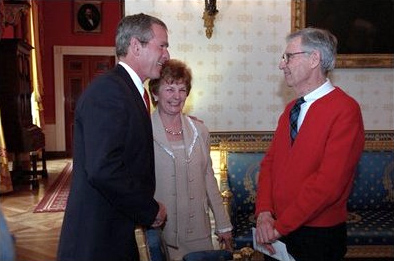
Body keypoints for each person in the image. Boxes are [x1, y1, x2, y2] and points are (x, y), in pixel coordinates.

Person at [57, 13, 170, 261]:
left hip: (113, 231)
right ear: (135, 46)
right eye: (162, 45)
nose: (166, 55)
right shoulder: (109, 92)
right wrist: (148, 210)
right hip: (96, 241)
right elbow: (104, 168)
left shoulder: (127, 91)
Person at [254, 27, 365, 261]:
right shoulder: (290, 109)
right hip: (277, 229)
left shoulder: (345, 110)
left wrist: (280, 226)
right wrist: (264, 212)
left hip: (317, 236)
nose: (281, 64)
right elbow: (270, 164)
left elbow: (329, 184)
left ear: (314, 59)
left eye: (289, 57)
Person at [148, 59, 233, 260]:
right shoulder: (143, 132)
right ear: (155, 93)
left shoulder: (200, 131)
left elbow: (209, 180)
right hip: (161, 232)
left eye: (182, 89)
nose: (177, 96)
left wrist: (223, 224)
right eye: (169, 89)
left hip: (199, 233)